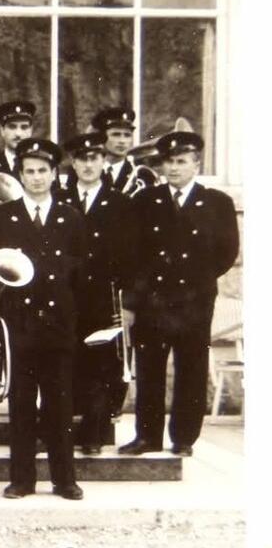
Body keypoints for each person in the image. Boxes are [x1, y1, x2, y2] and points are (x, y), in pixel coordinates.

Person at [0, 137, 86, 501]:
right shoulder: (1, 216)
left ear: (55, 174)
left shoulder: (70, 216)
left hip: (58, 326)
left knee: (60, 404)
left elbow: (83, 273)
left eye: (43, 171)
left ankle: (64, 479)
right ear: (19, 175)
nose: (36, 178)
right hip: (17, 324)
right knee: (21, 405)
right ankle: (21, 479)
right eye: (29, 172)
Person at [118, 131, 239, 457]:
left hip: (193, 302)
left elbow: (227, 253)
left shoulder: (217, 203)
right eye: (168, 162)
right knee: (150, 370)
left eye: (181, 161)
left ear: (196, 164)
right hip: (152, 301)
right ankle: (147, 437)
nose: (173, 168)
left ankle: (184, 438)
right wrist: (135, 298)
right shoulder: (145, 202)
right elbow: (133, 253)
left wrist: (194, 281)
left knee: (191, 369)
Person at [57, 132, 135, 455]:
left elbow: (132, 256)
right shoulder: (58, 199)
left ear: (104, 161)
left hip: (103, 298)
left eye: (94, 158)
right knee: (64, 362)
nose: (88, 165)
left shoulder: (120, 203)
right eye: (82, 159)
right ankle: (62, 433)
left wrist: (129, 302)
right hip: (64, 296)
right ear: (73, 163)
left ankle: (94, 433)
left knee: (101, 365)